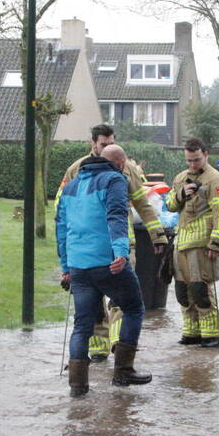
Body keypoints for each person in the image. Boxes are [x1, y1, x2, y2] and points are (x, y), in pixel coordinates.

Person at [56, 124, 167, 361]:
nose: (108, 148)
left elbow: (142, 203)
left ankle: (119, 345)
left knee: (120, 301)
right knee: (94, 306)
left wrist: (157, 234)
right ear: (93, 144)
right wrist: (66, 261)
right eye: (104, 144)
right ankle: (99, 350)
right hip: (92, 249)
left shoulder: (127, 169)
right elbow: (61, 211)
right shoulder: (76, 170)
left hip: (121, 245)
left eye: (111, 143)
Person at [165, 137, 219, 348]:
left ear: (205, 155)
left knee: (201, 290)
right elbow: (169, 205)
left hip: (202, 244)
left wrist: (216, 243)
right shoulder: (180, 178)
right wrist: (180, 194)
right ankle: (191, 332)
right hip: (181, 243)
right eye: (189, 160)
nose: (192, 164)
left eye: (196, 160)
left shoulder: (215, 180)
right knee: (183, 292)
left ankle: (211, 335)